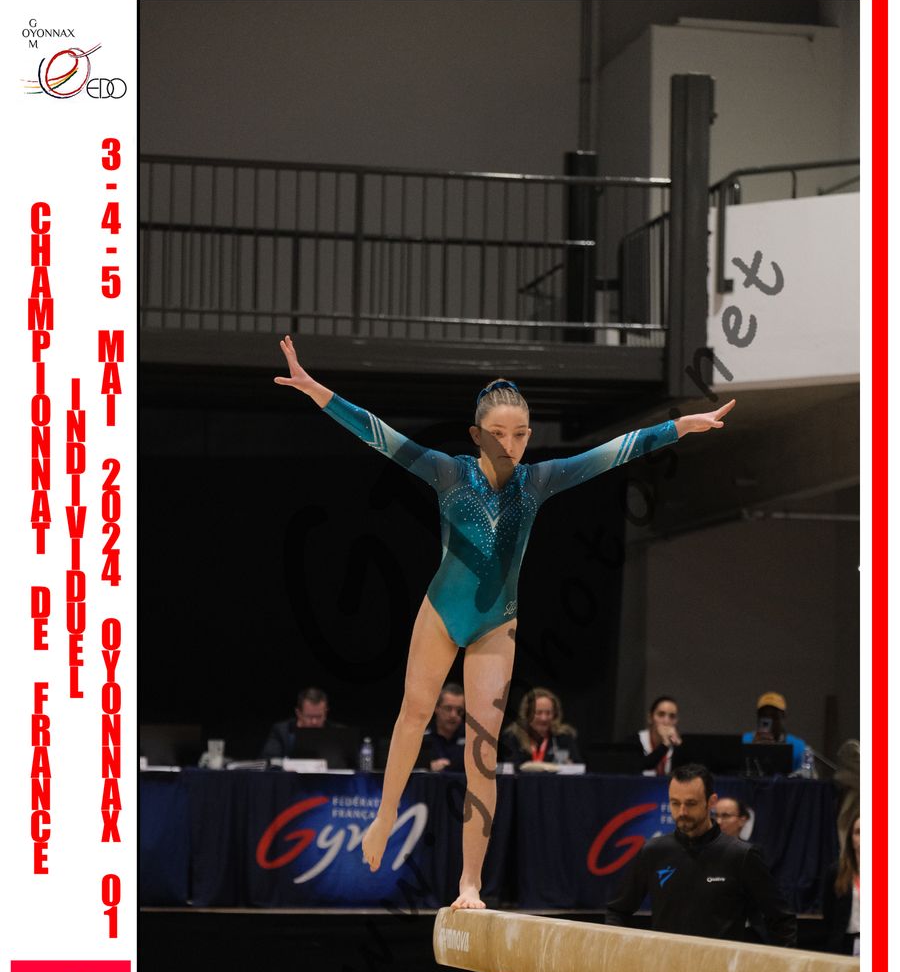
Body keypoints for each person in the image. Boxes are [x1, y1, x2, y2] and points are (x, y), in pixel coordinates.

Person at [275, 334, 735, 908]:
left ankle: (470, 882)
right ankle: (384, 814)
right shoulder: (447, 472)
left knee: (483, 754)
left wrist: (680, 427)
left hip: (497, 623)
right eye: (498, 434)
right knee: (413, 715)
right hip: (441, 613)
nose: (510, 445)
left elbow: (614, 452)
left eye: (520, 435)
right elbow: (378, 434)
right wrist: (313, 388)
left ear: (529, 436)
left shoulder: (538, 482)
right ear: (477, 435)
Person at [605, 763, 796, 972]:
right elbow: (618, 910)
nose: (682, 812)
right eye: (675, 803)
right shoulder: (655, 852)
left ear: (711, 802)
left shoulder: (740, 856)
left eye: (691, 804)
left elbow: (781, 918)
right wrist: (626, 960)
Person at [500, 686, 581, 768]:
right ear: (527, 713)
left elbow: (578, 768)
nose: (544, 718)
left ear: (555, 714)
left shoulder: (564, 737)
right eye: (538, 713)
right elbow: (509, 769)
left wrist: (570, 766)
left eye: (548, 713)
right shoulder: (512, 737)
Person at [741, 691, 809, 772]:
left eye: (774, 716)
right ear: (758, 717)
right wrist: (753, 749)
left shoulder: (797, 746)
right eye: (764, 716)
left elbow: (806, 776)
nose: (769, 721)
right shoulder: (744, 741)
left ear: (783, 716)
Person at [821, 815, 860, 955]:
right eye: (858, 832)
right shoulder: (836, 871)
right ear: (851, 839)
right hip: (845, 944)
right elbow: (828, 912)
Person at [261, 686, 330, 760]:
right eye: (309, 716)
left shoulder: (335, 733)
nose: (314, 722)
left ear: (326, 713)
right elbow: (269, 760)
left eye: (319, 716)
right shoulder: (282, 731)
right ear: (298, 713)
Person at [627, 695, 682, 776]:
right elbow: (641, 766)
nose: (666, 721)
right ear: (650, 718)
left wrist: (680, 747)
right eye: (661, 714)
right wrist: (665, 743)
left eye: (672, 716)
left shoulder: (678, 745)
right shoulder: (634, 740)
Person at [421, 682, 467, 772]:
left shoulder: (472, 737)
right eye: (448, 708)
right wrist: (427, 766)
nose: (453, 715)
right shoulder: (420, 736)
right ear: (436, 708)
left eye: (459, 710)